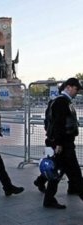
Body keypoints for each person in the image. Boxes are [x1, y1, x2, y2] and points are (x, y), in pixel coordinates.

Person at [42, 78, 83, 209]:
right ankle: (49, 199)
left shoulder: (60, 101)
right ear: (69, 87)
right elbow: (58, 124)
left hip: (62, 143)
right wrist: (59, 143)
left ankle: (48, 199)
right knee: (75, 174)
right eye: (76, 89)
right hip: (64, 144)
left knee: (57, 172)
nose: (76, 92)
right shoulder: (62, 102)